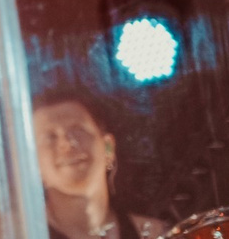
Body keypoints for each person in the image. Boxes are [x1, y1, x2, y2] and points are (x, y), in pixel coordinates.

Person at [33, 88, 173, 239]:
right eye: (50, 137)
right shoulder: (22, 233)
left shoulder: (156, 235)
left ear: (108, 147)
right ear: (32, 163)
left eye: (78, 130)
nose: (66, 144)